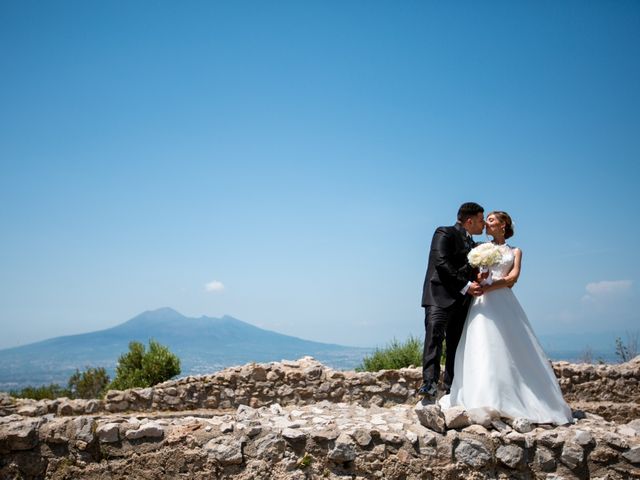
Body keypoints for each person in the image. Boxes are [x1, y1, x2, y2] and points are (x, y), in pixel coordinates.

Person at [438, 211, 573, 425]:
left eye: (491, 220)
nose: (486, 224)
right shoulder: (480, 248)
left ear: (503, 225)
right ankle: (483, 396)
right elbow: (474, 273)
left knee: (511, 346)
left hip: (503, 301)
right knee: (481, 345)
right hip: (481, 303)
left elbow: (513, 278)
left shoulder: (516, 251)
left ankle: (519, 397)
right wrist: (480, 280)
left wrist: (492, 286)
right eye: (486, 220)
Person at [418, 202, 486, 398]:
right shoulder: (444, 233)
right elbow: (441, 263)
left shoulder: (475, 245)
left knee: (455, 344)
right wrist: (466, 286)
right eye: (481, 221)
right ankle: (429, 383)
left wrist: (477, 279)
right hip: (438, 296)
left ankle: (450, 387)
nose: (483, 225)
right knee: (434, 338)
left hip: (463, 301)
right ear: (469, 220)